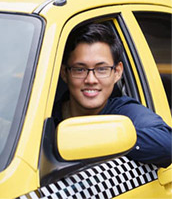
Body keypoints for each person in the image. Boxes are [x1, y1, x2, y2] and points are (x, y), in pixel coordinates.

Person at [54, 23, 172, 168]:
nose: (91, 80)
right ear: (64, 73)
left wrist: (102, 136)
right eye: (80, 69)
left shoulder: (124, 112)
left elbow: (167, 145)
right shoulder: (45, 116)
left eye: (102, 69)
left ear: (117, 72)